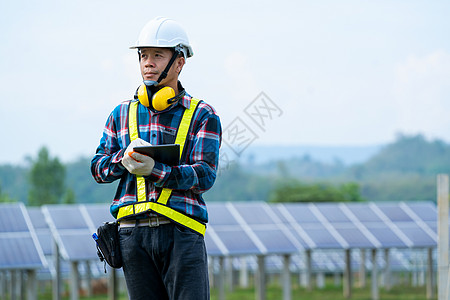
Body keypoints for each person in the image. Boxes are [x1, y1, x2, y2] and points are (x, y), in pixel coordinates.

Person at [91, 16, 222, 300]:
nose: (147, 63)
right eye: (143, 56)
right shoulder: (120, 114)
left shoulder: (202, 115)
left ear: (179, 62)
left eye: (157, 55)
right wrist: (120, 161)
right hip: (131, 237)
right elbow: (98, 169)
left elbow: (205, 175)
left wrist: (156, 170)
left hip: (181, 232)